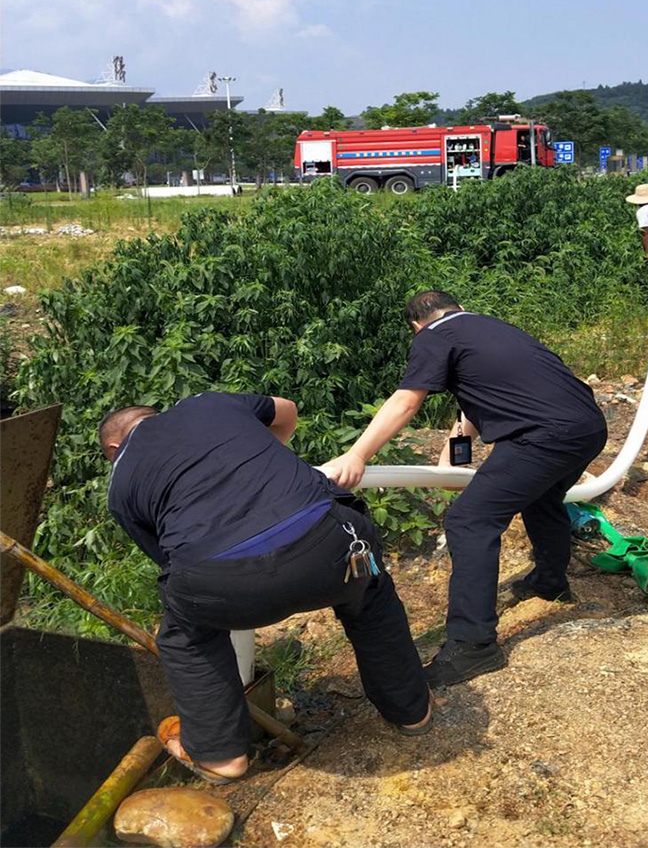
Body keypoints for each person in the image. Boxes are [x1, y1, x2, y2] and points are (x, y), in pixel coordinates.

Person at [101, 391, 432, 783]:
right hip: (328, 549)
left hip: (223, 583)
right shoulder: (207, 403)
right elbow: (288, 409)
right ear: (156, 415)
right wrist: (269, 457)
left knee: (186, 633)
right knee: (369, 596)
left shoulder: (119, 485)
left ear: (114, 447)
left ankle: (221, 756)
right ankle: (411, 712)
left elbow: (170, 561)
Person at [326, 292, 608, 688]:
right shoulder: (490, 328)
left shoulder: (432, 335)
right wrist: (454, 450)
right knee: (542, 498)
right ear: (458, 308)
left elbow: (407, 401)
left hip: (544, 436)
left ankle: (474, 645)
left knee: (470, 520)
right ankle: (550, 580)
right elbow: (478, 398)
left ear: (415, 325)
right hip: (588, 427)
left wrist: (356, 455)